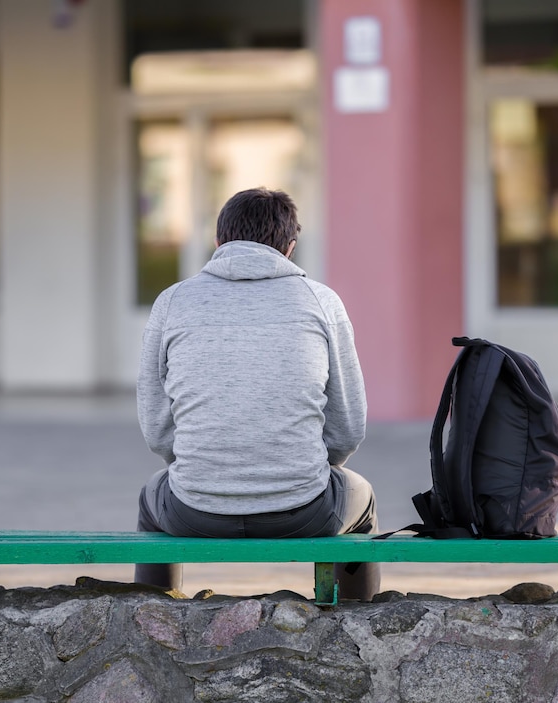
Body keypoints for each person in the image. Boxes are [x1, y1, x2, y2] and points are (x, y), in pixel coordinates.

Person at [134, 187, 379, 600]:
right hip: (305, 510)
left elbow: (157, 430)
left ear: (218, 243)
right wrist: (309, 469)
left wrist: (207, 469)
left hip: (193, 511)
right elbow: (348, 429)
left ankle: (155, 621)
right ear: (290, 248)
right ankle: (358, 624)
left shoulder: (172, 301)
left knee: (151, 497)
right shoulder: (321, 302)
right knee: (364, 498)